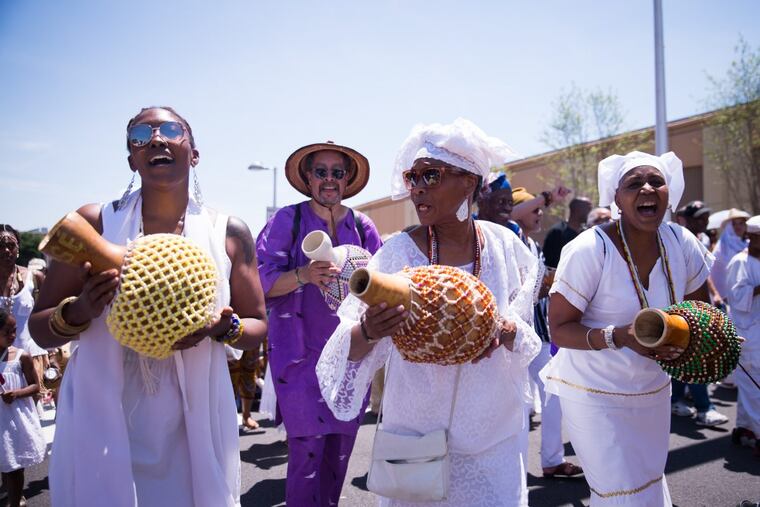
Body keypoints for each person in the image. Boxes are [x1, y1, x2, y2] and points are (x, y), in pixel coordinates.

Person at [29, 106, 268, 507]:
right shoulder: (94, 223)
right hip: (104, 413)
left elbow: (258, 326)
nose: (155, 139)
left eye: (170, 130)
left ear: (193, 152)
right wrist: (79, 311)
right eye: (140, 135)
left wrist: (222, 329)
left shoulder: (228, 232)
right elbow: (39, 326)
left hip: (195, 420)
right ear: (131, 159)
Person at [317, 118, 541, 506]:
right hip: (417, 444)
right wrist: (371, 331)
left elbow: (528, 336)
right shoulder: (397, 255)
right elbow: (346, 349)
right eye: (412, 177)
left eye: (431, 175)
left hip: (493, 440)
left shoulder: (507, 247)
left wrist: (505, 331)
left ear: (469, 181)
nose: (418, 187)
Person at [542, 151, 713, 505]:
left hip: (652, 390)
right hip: (593, 392)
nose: (647, 188)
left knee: (646, 485)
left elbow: (700, 311)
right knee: (619, 492)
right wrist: (617, 336)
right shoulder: (589, 249)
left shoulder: (682, 243)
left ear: (669, 193)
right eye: (634, 183)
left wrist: (699, 340)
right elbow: (559, 328)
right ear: (616, 199)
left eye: (656, 181)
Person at [256, 141, 382, 506]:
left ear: (347, 180)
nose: (329, 179)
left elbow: (384, 282)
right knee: (305, 459)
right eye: (321, 172)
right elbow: (259, 281)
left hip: (352, 359)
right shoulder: (287, 221)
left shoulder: (363, 226)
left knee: (338, 458)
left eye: (337, 172)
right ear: (308, 178)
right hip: (299, 360)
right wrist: (303, 275)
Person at [509, 188, 582, 479]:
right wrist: (546, 198)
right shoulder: (509, 234)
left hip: (537, 334)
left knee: (552, 395)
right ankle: (515, 473)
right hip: (512, 336)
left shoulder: (532, 244)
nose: (540, 213)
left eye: (541, 209)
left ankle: (551, 460)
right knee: (517, 407)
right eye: (534, 209)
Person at [669, 201, 729, 426]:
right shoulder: (680, 239)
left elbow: (704, 274)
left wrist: (714, 296)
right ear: (687, 219)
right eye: (700, 217)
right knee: (694, 355)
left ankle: (678, 398)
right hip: (683, 307)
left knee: (688, 356)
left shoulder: (701, 239)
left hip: (700, 303)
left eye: (706, 217)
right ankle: (704, 407)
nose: (704, 221)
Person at [0, 309, 46, 507]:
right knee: (5, 462)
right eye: (7, 332)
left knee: (14, 467)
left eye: (14, 330)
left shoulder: (21, 357)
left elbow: (36, 386)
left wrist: (16, 393)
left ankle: (14, 500)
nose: (12, 335)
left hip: (14, 420)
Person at [0, 225, 49, 407]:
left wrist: (51, 356)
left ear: (18, 248)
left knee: (29, 417)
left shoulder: (34, 278)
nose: (6, 250)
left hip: (30, 361)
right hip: (1, 364)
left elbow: (46, 317)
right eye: (0, 245)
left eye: (10, 245)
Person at [726, 215, 760, 457]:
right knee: (753, 388)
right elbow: (737, 299)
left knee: (751, 388)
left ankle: (745, 428)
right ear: (753, 237)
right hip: (749, 334)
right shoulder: (740, 262)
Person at [542, 197, 593, 269]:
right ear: (577, 210)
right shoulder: (557, 232)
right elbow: (550, 263)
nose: (591, 212)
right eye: (589, 209)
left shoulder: (586, 233)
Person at [712, 208, 750, 301]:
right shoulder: (723, 246)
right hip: (725, 296)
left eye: (741, 223)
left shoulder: (748, 243)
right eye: (734, 224)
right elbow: (730, 267)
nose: (738, 227)